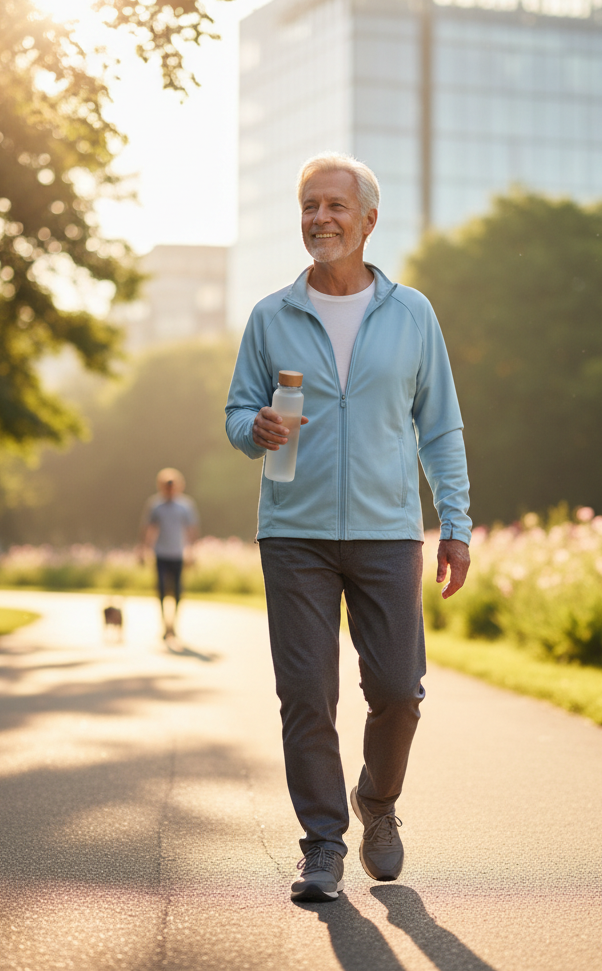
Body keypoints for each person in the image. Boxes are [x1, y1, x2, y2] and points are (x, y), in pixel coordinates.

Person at [225, 153, 471, 903]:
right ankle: (323, 844)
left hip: (387, 529)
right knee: (306, 692)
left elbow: (440, 427)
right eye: (308, 206)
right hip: (293, 532)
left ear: (367, 220)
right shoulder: (272, 315)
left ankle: (379, 802)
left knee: (398, 690)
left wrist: (455, 522)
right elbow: (237, 413)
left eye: (334, 206)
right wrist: (254, 427)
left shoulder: (412, 313)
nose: (319, 219)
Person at [139, 468, 199, 641]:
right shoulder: (155, 505)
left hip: (178, 553)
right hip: (161, 553)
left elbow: (191, 530)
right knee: (162, 589)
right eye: (166, 486)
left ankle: (174, 624)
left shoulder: (185, 506)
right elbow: (149, 529)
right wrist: (143, 549)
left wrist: (192, 552)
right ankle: (165, 623)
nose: (170, 489)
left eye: (172, 485)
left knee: (178, 590)